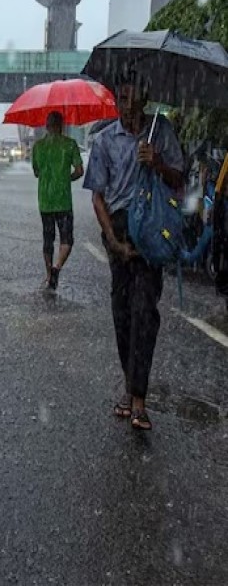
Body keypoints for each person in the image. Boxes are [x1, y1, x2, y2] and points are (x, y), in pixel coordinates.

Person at [83, 78, 184, 431]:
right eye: (120, 98)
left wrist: (156, 162)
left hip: (151, 229)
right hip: (119, 228)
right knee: (122, 314)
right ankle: (130, 386)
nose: (125, 105)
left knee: (145, 312)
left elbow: (178, 181)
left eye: (131, 97)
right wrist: (113, 240)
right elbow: (97, 196)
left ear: (144, 98)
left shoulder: (162, 132)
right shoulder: (105, 140)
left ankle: (138, 398)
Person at [31, 111, 84, 290]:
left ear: (46, 126)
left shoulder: (38, 146)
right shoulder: (70, 145)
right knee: (66, 239)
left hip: (45, 200)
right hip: (63, 201)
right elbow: (79, 171)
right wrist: (65, 178)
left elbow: (36, 172)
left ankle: (48, 274)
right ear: (62, 126)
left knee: (48, 239)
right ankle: (57, 267)